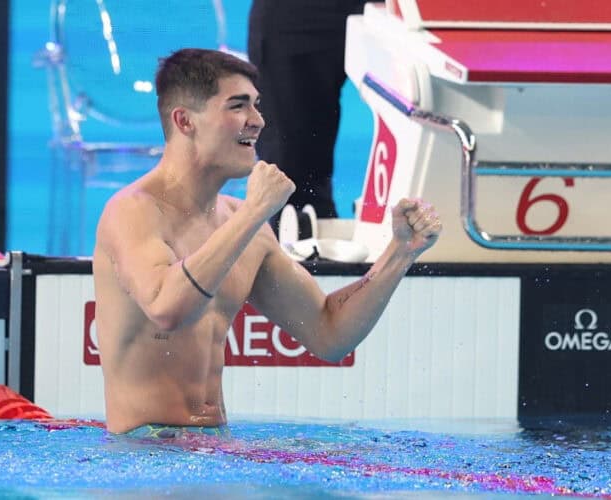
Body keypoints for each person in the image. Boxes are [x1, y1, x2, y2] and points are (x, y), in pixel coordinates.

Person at [92, 48, 442, 436]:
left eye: (257, 106)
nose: (257, 121)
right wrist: (254, 211)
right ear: (184, 121)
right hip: (142, 459)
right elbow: (167, 308)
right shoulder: (133, 212)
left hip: (214, 446)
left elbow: (330, 333)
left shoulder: (247, 226)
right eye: (238, 106)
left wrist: (399, 253)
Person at [247, 0, 367, 220]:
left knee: (430, 124)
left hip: (408, 9)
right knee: (292, 173)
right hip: (297, 12)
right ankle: (301, 245)